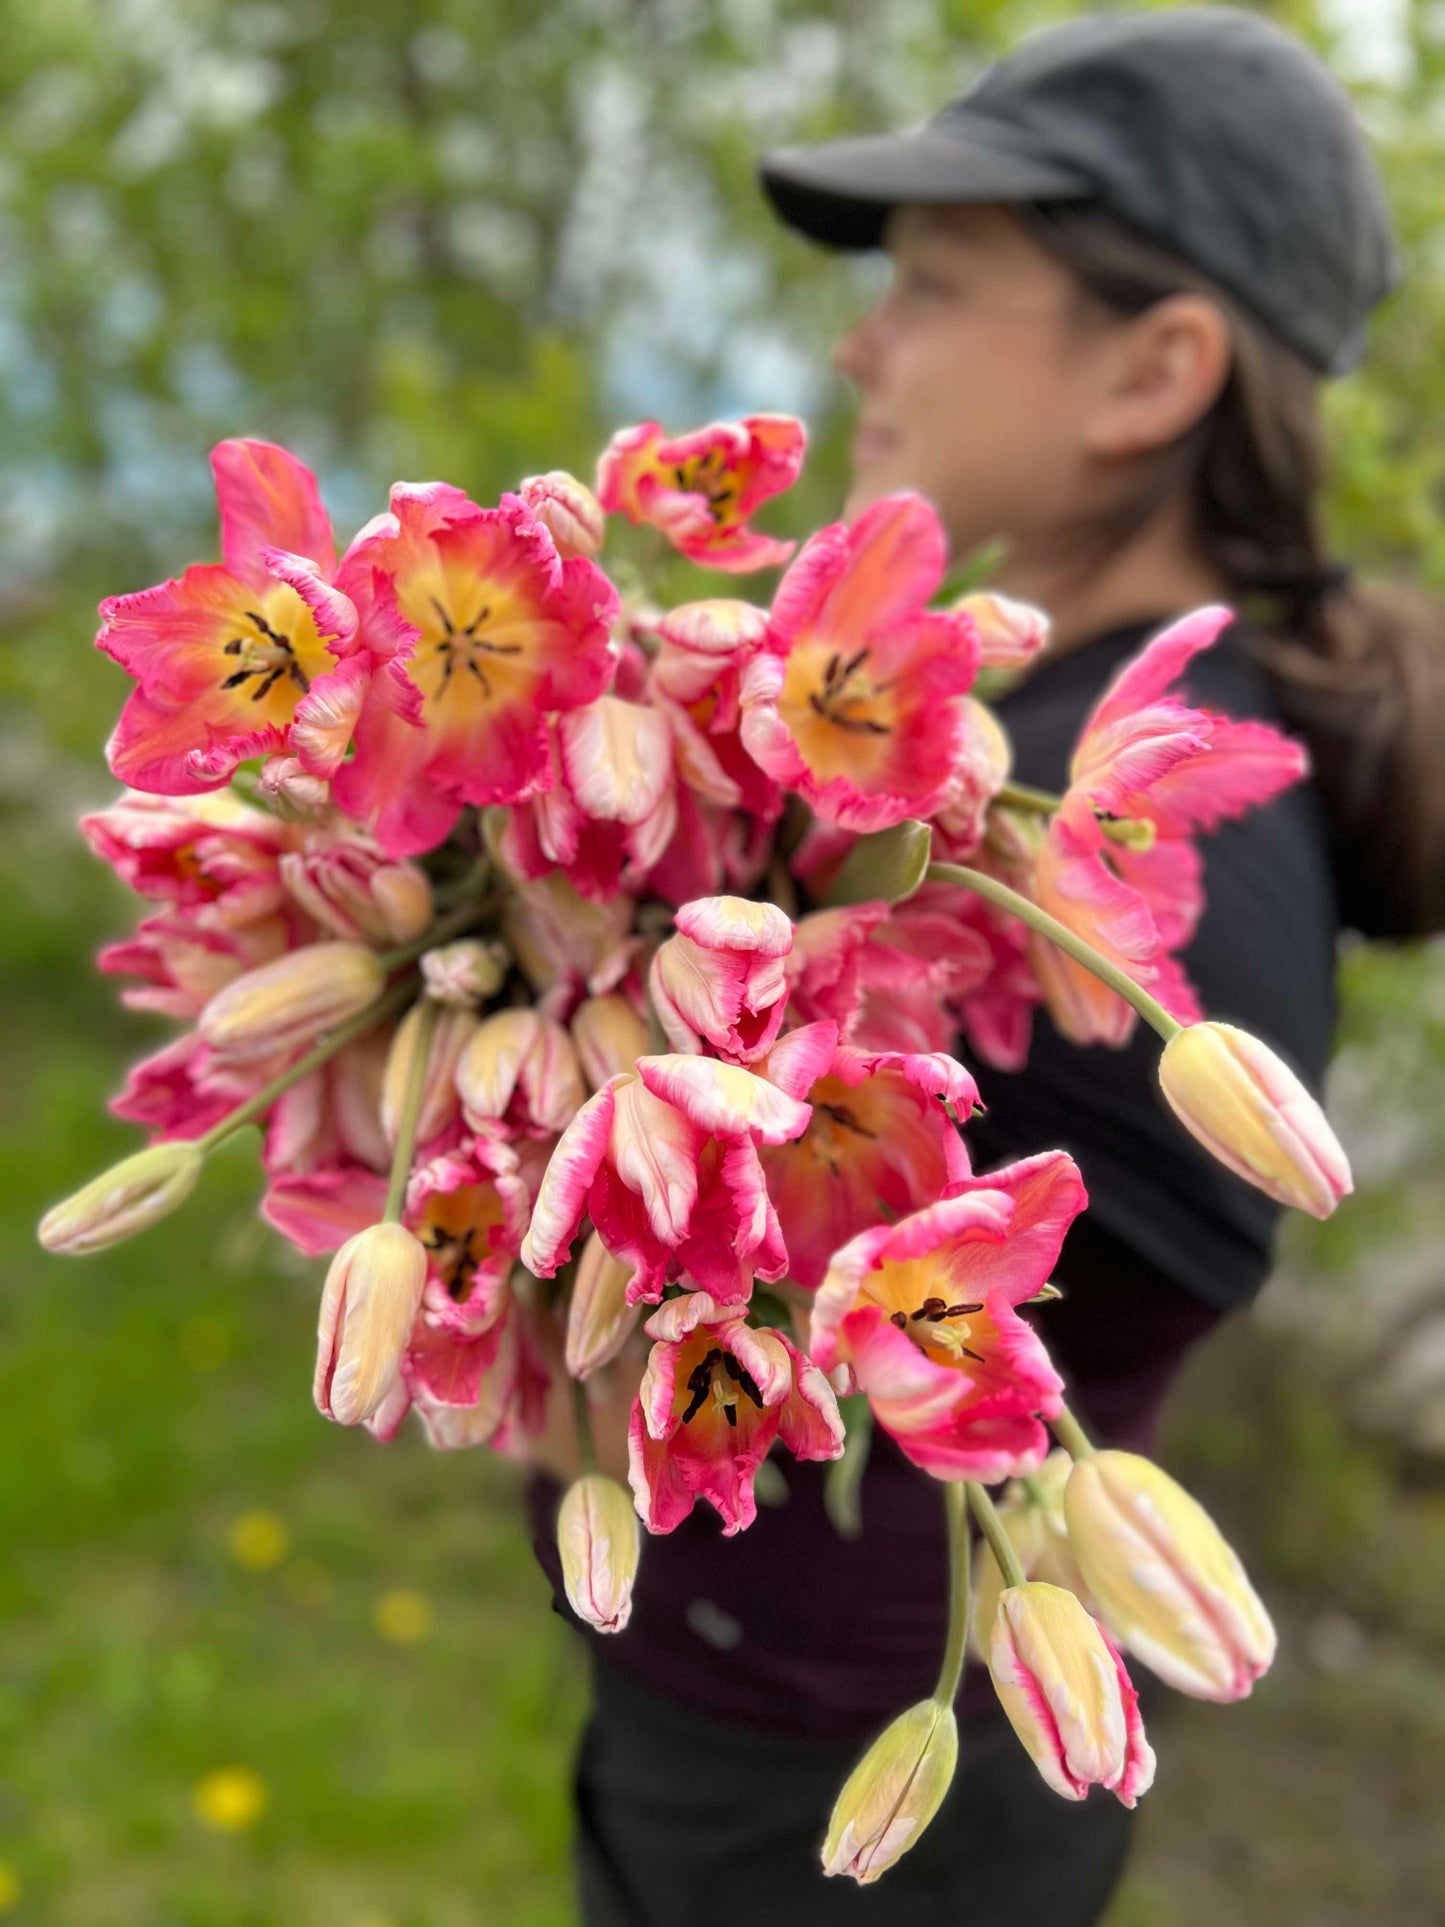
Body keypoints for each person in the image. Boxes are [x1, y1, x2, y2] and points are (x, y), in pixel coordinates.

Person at [526, 10, 1445, 1923]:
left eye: (934, 284)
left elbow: (1146, 1223)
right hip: (754, 1720)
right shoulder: (1006, 733)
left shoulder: (1138, 837)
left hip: (842, 1817)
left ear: (1156, 369)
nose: (863, 342)